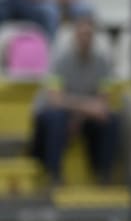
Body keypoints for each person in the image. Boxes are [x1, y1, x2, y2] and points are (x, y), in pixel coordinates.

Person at [29, 15, 119, 185]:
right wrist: (84, 107)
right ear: (75, 35)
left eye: (89, 35)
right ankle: (53, 174)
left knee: (110, 119)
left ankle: (103, 174)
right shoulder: (60, 60)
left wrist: (80, 115)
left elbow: (102, 102)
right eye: (82, 34)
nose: (85, 38)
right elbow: (55, 100)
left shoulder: (102, 63)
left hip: (82, 116)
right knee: (57, 118)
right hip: (51, 115)